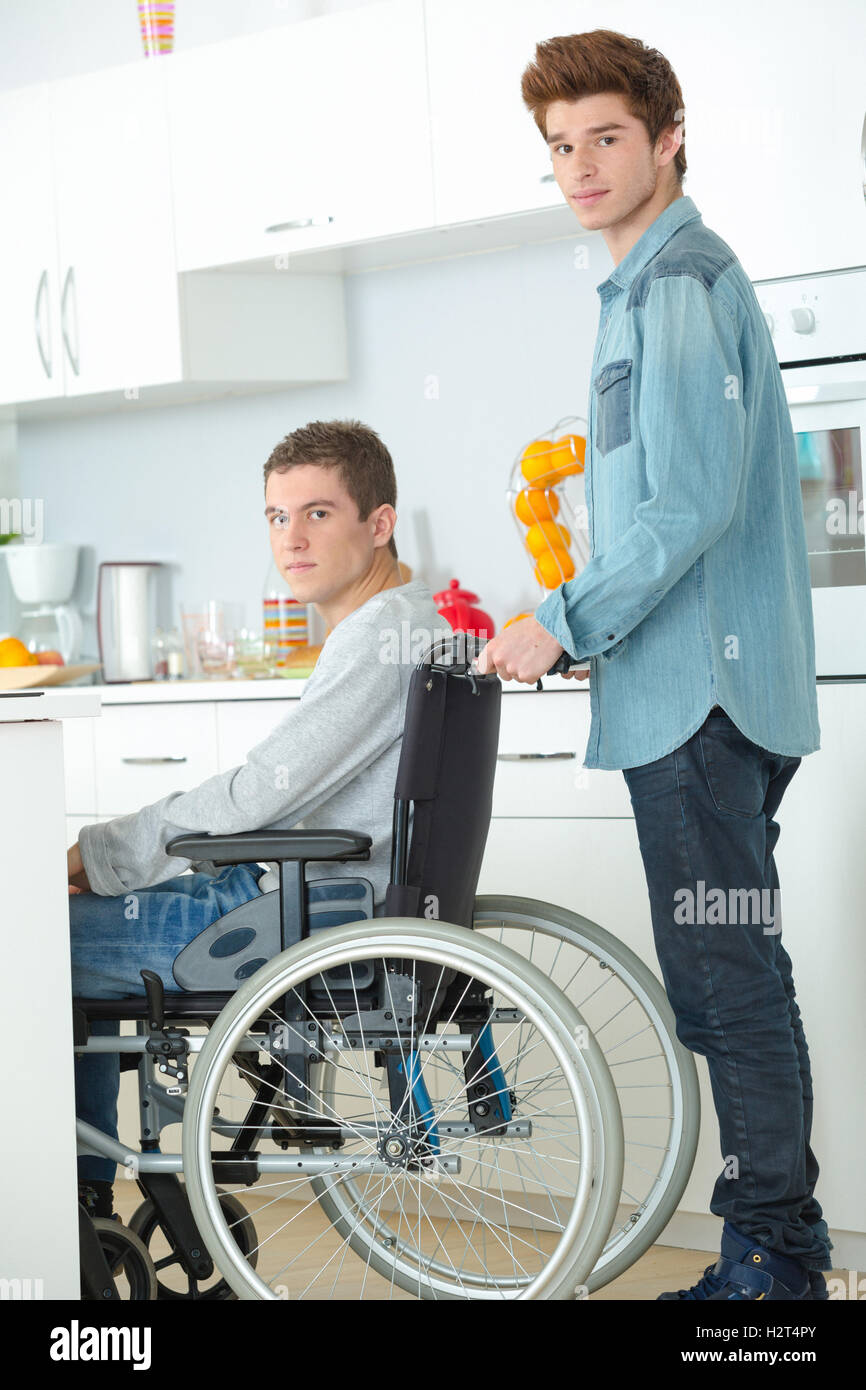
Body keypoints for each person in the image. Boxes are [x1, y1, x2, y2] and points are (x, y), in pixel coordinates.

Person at [475, 29, 830, 1301]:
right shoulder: (645, 287)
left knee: (725, 983)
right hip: (702, 691)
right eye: (558, 148)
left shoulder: (674, 286)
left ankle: (771, 1268)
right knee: (736, 968)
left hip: (701, 708)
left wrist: (563, 618)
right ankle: (781, 1248)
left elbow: (683, 507)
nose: (578, 167)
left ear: (666, 136)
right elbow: (668, 515)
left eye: (604, 138)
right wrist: (595, 624)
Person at [68, 418, 444, 1220]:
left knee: (26, 938)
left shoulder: (379, 639)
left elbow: (255, 798)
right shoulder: (419, 619)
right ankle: (85, 1192)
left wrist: (106, 854)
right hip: (319, 897)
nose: (292, 539)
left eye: (317, 513)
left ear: (379, 524)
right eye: (278, 516)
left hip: (292, 913)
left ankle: (81, 1204)